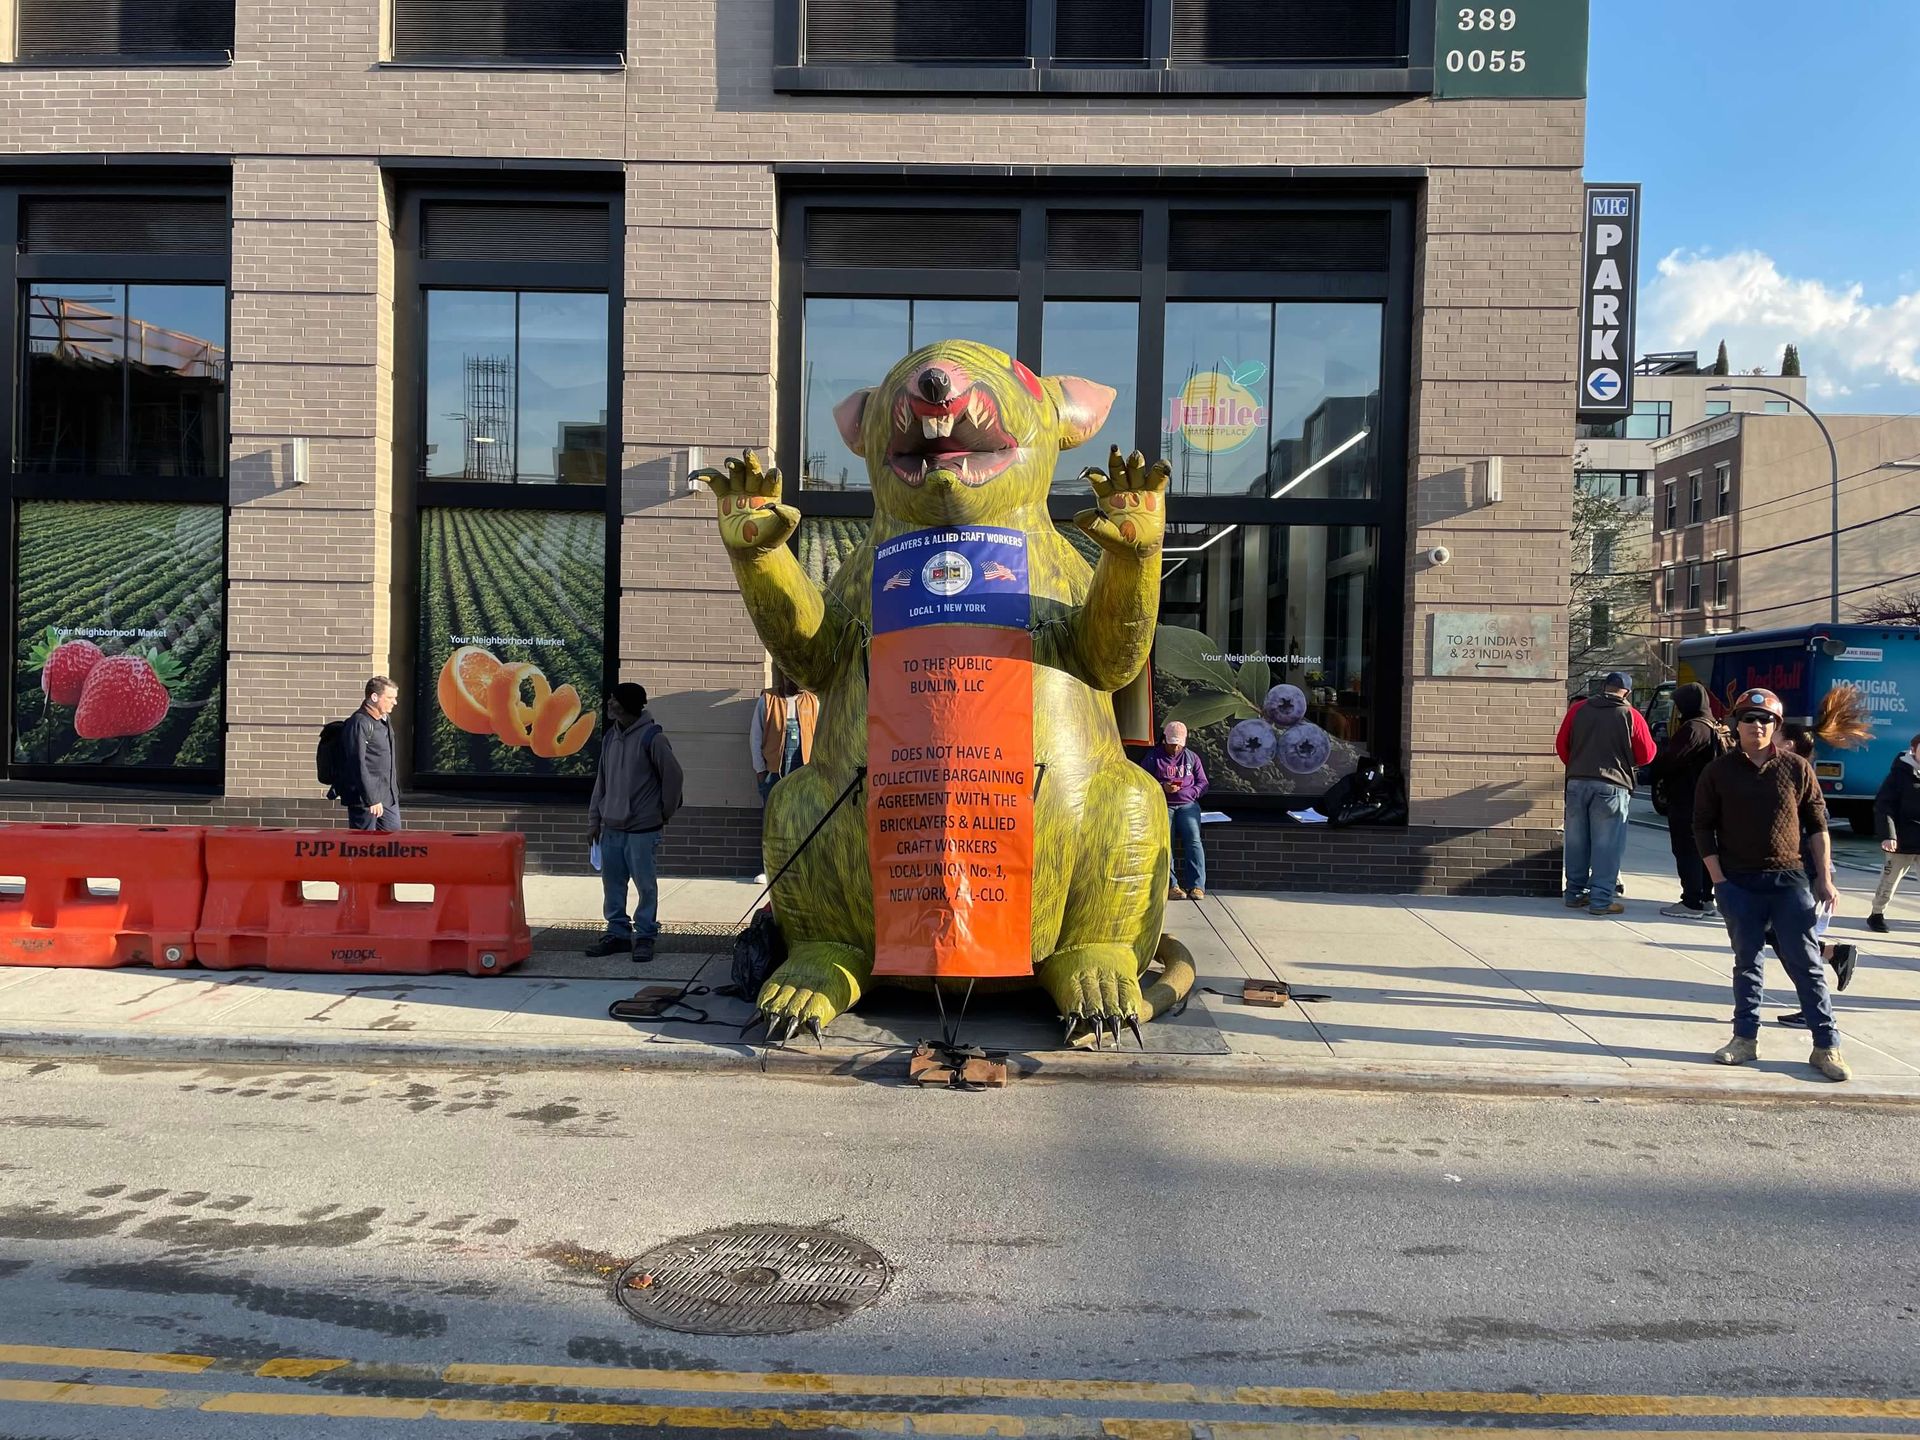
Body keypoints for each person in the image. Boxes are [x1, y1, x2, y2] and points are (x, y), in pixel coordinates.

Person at [1693, 686, 1849, 1082]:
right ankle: (1744, 1040)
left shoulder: (1797, 768)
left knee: (1807, 965)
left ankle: (1826, 1046)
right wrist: (1719, 880)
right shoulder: (1717, 772)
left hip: (1789, 882)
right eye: (1749, 719)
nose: (1757, 725)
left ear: (1776, 726)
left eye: (1766, 720)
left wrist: (1824, 878)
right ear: (1737, 725)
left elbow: (1817, 826)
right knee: (1748, 964)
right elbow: (1702, 827)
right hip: (1738, 884)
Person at [586, 682, 684, 964]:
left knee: (645, 886)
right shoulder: (609, 738)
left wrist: (663, 813)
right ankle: (616, 934)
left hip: (642, 829)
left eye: (614, 699)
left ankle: (645, 936)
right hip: (611, 828)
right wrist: (594, 820)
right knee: (613, 885)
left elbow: (674, 778)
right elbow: (601, 782)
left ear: (627, 704)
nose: (609, 703)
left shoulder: (652, 738)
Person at [1554, 670, 1656, 916]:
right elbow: (1647, 754)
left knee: (1577, 841)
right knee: (1606, 845)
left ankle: (1574, 893)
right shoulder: (1630, 715)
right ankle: (1601, 900)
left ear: (1604, 687)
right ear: (1627, 693)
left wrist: (1577, 764)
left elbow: (1561, 745)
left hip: (1578, 782)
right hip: (1612, 785)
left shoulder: (1578, 710)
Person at [1647, 683, 1726, 919]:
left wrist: (1654, 765)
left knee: (1686, 850)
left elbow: (1670, 760)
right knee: (1705, 851)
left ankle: (1691, 901)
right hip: (1709, 799)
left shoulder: (1693, 728)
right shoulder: (1713, 725)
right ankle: (1706, 898)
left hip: (1687, 798)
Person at [749, 675, 818, 885]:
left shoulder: (812, 701)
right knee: (773, 819)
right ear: (785, 676)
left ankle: (801, 869)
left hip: (804, 770)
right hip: (773, 771)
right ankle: (769, 869)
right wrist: (760, 770)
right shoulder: (768, 699)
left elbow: (820, 734)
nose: (800, 683)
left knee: (802, 819)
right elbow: (756, 736)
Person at [1144, 720, 1207, 900]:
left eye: (1179, 744)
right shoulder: (1153, 757)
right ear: (1165, 740)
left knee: (1194, 841)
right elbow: (1143, 781)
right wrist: (1163, 786)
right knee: (1166, 844)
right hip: (1164, 805)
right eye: (1172, 744)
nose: (1176, 748)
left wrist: (1191, 792)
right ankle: (1172, 885)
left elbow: (1203, 783)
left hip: (1188, 805)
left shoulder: (1192, 758)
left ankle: (1197, 886)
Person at [1868, 732, 1920, 934]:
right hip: (1902, 840)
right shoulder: (1899, 774)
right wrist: (1889, 835)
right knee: (1889, 881)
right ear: (1913, 750)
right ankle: (1877, 914)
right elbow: (1884, 806)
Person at [338, 676, 402, 832]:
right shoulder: (359, 722)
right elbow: (357, 763)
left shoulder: (384, 720)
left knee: (393, 842)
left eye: (395, 698)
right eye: (390, 698)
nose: (395, 702)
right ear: (374, 697)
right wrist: (371, 799)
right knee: (365, 847)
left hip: (388, 796)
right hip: (365, 800)